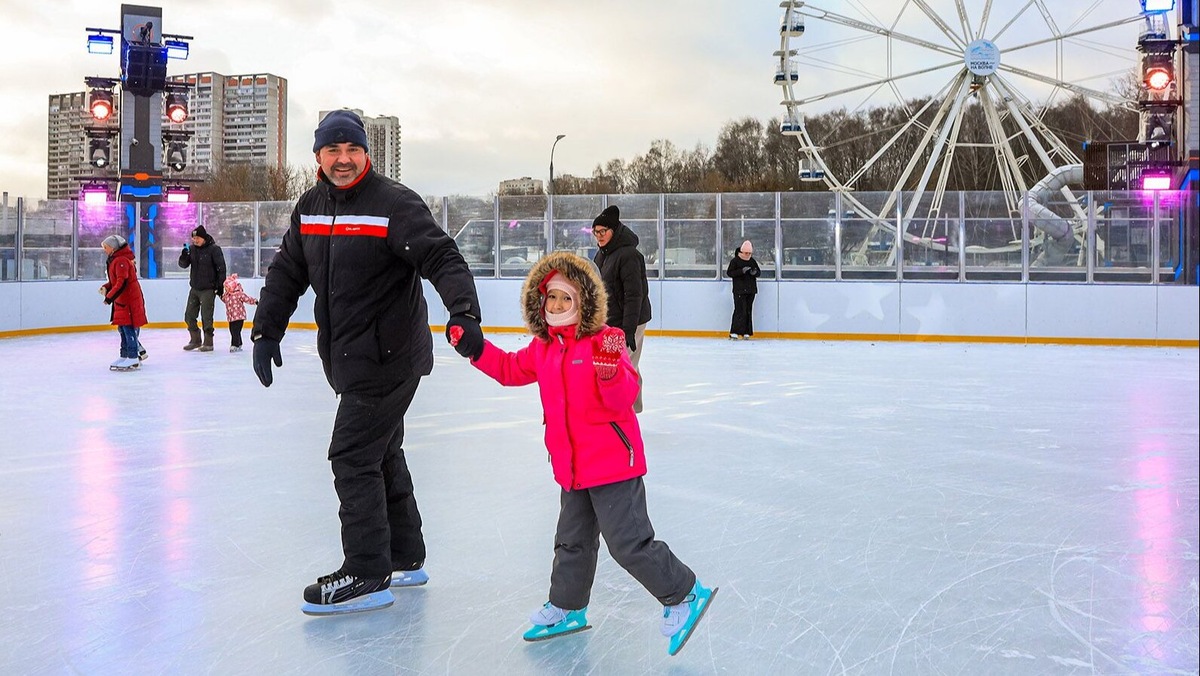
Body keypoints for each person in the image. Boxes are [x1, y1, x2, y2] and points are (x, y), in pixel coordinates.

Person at [249, 109, 483, 615]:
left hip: (389, 357)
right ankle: (403, 555)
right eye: (332, 150)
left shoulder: (392, 204)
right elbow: (287, 271)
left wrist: (463, 311)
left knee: (352, 454)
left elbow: (442, 256)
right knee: (379, 452)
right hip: (349, 357)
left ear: (366, 154)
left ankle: (366, 572)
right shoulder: (309, 208)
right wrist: (267, 331)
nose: (343, 159)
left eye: (351, 149)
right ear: (317, 158)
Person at [452, 250, 716, 656]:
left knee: (629, 543)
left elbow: (624, 399)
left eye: (566, 298)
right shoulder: (544, 348)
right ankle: (568, 607)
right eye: (550, 298)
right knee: (571, 542)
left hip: (612, 465)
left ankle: (684, 593)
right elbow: (508, 370)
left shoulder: (602, 341)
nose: (556, 306)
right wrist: (475, 348)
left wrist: (611, 369)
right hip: (572, 468)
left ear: (584, 303)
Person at [591, 205, 651, 413]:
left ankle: (629, 412)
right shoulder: (601, 255)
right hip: (612, 320)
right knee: (618, 365)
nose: (599, 236)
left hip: (631, 320)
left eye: (602, 232)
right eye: (595, 232)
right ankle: (632, 407)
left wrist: (629, 330)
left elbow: (634, 295)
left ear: (613, 231)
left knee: (627, 365)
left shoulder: (629, 256)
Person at [99, 235, 147, 371]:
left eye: (106, 247)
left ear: (113, 248)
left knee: (128, 328)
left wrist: (109, 298)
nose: (105, 250)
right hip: (123, 300)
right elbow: (116, 281)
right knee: (122, 328)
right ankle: (125, 355)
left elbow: (122, 282)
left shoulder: (121, 261)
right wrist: (107, 287)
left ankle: (132, 357)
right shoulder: (116, 260)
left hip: (128, 300)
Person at [178, 225, 227, 352]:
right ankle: (195, 340)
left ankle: (208, 342)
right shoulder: (192, 249)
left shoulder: (214, 249)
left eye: (197, 238)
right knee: (189, 316)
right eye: (193, 238)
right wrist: (184, 256)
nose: (195, 240)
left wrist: (219, 286)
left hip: (208, 289)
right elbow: (183, 265)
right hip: (195, 288)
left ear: (204, 237)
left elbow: (221, 268)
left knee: (206, 317)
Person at [725, 240, 761, 340]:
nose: (748, 255)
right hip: (739, 290)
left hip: (751, 290)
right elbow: (730, 273)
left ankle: (746, 331)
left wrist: (754, 272)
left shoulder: (752, 261)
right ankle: (734, 331)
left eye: (749, 253)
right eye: (746, 253)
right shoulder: (735, 261)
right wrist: (741, 271)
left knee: (748, 310)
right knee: (740, 310)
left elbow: (758, 272)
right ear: (741, 252)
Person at [219, 273, 258, 352]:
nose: (226, 289)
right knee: (233, 330)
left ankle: (234, 345)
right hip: (231, 317)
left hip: (239, 317)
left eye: (227, 287)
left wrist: (255, 301)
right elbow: (225, 300)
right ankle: (239, 343)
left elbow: (247, 299)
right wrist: (219, 295)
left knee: (235, 331)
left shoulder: (239, 294)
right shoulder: (227, 295)